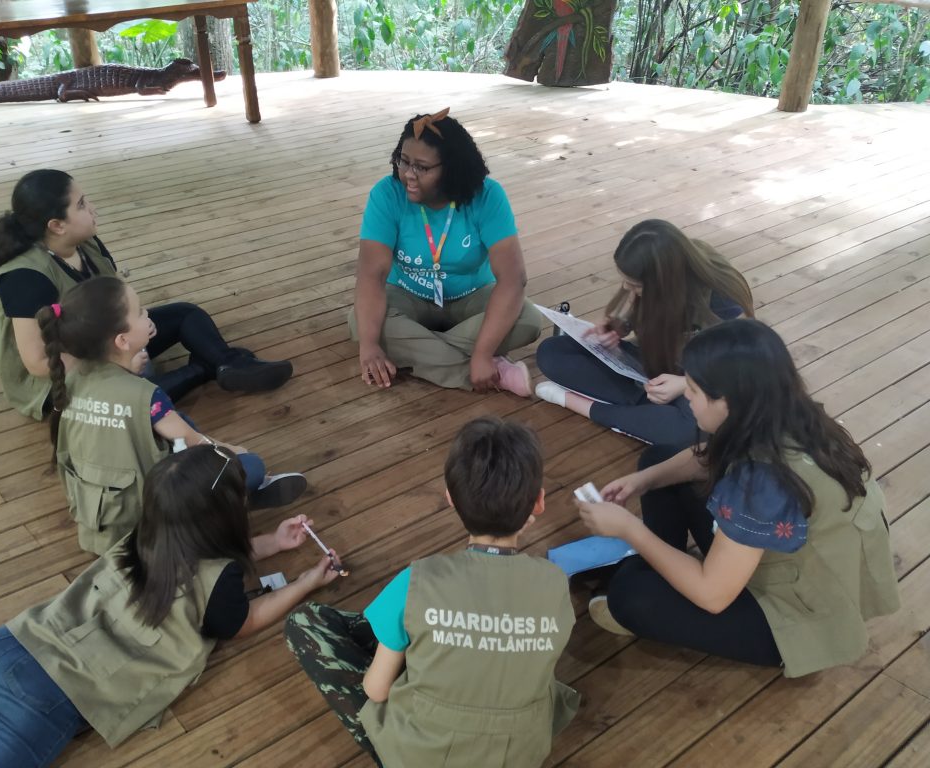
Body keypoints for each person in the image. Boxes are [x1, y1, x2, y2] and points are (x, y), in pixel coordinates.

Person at [0, 446, 341, 768]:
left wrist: (273, 543)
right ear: (226, 516)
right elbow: (244, 621)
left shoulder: (145, 534)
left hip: (4, 645)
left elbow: (201, 551)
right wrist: (305, 583)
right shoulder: (223, 582)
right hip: (47, 697)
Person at [576, 319, 900, 677]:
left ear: (727, 402)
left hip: (800, 612)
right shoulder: (785, 412)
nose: (687, 397)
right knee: (659, 462)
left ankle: (649, 569)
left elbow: (712, 595)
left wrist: (630, 530)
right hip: (799, 562)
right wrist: (642, 481)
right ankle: (657, 564)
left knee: (630, 596)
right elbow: (707, 456)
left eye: (694, 390)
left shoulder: (761, 483)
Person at [285, 416, 580, 766]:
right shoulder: (554, 583)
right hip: (517, 753)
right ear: (539, 503)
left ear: (451, 499)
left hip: (422, 755)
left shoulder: (417, 580)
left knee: (306, 621)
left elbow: (376, 691)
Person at [0, 168, 292, 420]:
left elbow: (116, 293)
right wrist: (114, 361)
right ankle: (207, 368)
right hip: (56, 379)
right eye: (80, 205)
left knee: (186, 314)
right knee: (131, 395)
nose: (92, 208)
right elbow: (38, 362)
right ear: (56, 225)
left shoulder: (86, 243)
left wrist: (138, 321)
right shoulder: (26, 277)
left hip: (105, 339)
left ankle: (225, 363)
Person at [38, 276, 306, 555]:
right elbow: (198, 444)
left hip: (97, 520)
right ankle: (232, 501)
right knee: (250, 466)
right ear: (122, 340)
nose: (147, 315)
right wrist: (235, 451)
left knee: (175, 420)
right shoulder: (145, 396)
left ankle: (231, 498)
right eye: (140, 311)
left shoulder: (72, 379)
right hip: (148, 530)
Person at [349, 108, 542, 396]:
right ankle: (495, 371)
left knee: (527, 319)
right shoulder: (386, 194)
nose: (409, 175)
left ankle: (423, 351)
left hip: (471, 296)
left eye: (422, 167)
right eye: (403, 161)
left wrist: (481, 353)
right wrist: (369, 346)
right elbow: (371, 276)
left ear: (451, 168)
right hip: (408, 294)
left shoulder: (487, 196)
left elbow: (513, 280)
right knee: (362, 325)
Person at [535, 219, 754, 446]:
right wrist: (618, 326)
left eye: (635, 285)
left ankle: (580, 404)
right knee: (552, 351)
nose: (628, 288)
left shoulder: (723, 295)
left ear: (664, 282)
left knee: (691, 430)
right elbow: (640, 317)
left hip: (701, 381)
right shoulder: (658, 278)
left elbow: (739, 367)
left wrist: (685, 384)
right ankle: (647, 413)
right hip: (653, 369)